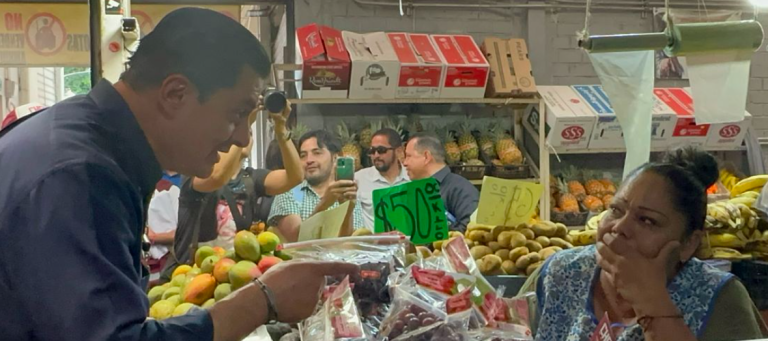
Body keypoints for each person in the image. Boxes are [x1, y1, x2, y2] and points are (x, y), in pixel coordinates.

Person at [0, 8, 356, 341]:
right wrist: (263, 301)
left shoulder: (83, 141)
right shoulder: (80, 175)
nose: (243, 137)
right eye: (237, 114)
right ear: (175, 93)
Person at [520, 147, 768, 341]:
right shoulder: (562, 271)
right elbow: (504, 327)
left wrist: (652, 302)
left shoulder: (720, 297)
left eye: (647, 221)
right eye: (616, 210)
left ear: (689, 244)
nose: (619, 228)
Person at [159, 103, 302, 282]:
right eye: (238, 132)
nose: (244, 137)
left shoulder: (252, 178)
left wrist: (281, 128)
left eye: (248, 133)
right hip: (191, 276)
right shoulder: (196, 172)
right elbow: (217, 177)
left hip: (233, 276)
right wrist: (244, 124)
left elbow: (295, 177)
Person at [268, 130, 365, 242]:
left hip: (338, 259)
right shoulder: (289, 191)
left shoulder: (347, 192)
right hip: (301, 259)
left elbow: (349, 243)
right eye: (303, 155)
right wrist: (324, 203)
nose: (309, 160)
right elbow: (298, 240)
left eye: (317, 153)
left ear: (335, 158)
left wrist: (348, 208)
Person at [402, 132, 479, 232]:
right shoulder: (416, 192)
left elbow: (472, 229)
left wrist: (436, 238)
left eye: (408, 156)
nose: (404, 163)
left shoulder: (460, 189)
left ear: (426, 157)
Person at [355, 128, 410, 229]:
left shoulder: (413, 178)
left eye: (381, 150)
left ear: (398, 151)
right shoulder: (358, 179)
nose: (376, 155)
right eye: (372, 151)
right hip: (373, 243)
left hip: (411, 243)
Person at [146, 171, 182, 283]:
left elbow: (182, 233)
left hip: (170, 260)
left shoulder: (171, 191)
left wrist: (153, 237)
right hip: (147, 264)